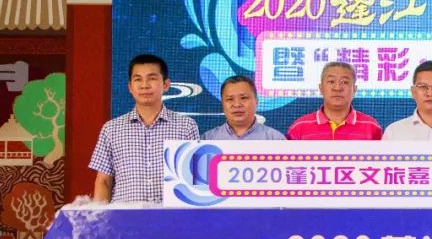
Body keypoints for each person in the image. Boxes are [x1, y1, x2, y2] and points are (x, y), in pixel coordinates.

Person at [89, 53, 199, 203]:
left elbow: (194, 180)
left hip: (170, 215)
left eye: (152, 78)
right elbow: (104, 182)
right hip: (124, 215)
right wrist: (99, 216)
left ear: (166, 85)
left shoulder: (186, 126)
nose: (144, 85)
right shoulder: (111, 129)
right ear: (130, 87)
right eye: (138, 79)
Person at [286, 61, 382, 141]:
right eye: (331, 81)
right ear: (321, 88)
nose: (337, 88)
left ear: (354, 89)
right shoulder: (299, 127)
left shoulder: (372, 128)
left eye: (344, 82)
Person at [202, 75, 285, 141]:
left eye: (244, 98)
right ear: (223, 103)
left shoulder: (275, 139)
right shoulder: (208, 139)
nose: (237, 104)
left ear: (256, 101)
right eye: (230, 99)